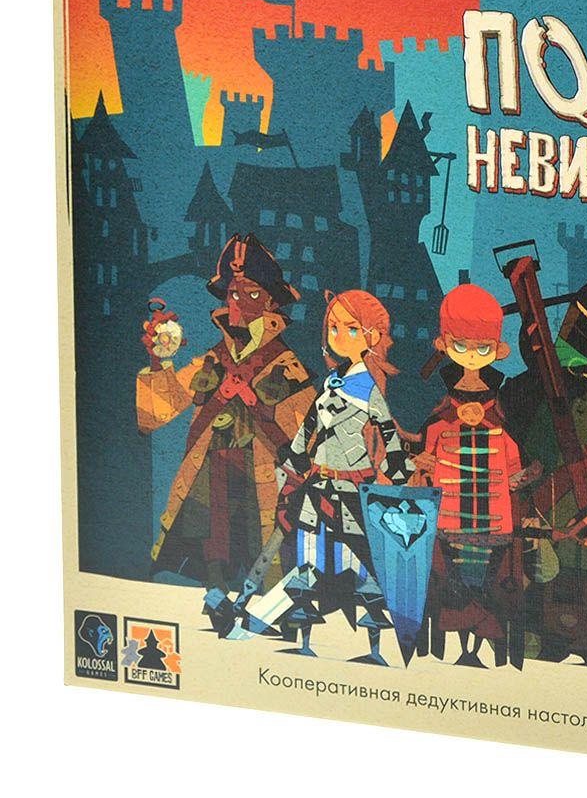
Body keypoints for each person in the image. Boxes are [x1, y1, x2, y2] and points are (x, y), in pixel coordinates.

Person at [136, 233, 315, 592]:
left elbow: (308, 443)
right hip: (210, 474)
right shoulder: (213, 359)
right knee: (210, 555)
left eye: (253, 294)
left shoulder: (288, 366)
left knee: (267, 569)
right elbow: (155, 414)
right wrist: (158, 361)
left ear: (271, 302)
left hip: (262, 483)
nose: (241, 303)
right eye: (234, 294)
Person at [242, 290, 412, 660]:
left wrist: (397, 469)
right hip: (318, 482)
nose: (338, 336)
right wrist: (294, 460)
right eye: (334, 328)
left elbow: (387, 431)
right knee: (309, 560)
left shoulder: (367, 386)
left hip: (352, 486)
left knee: (362, 566)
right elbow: (310, 427)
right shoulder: (331, 381)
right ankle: (304, 644)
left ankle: (374, 650)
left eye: (350, 329)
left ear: (371, 336)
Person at [412, 284, 530, 668]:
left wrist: (516, 477)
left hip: (493, 512)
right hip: (450, 512)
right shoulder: (441, 411)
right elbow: (428, 444)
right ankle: (466, 640)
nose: (472, 354)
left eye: (482, 348)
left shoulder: (503, 409)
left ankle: (476, 642)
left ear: (497, 350)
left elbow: (513, 454)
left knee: (484, 578)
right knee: (455, 579)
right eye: (461, 345)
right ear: (445, 344)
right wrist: (425, 465)